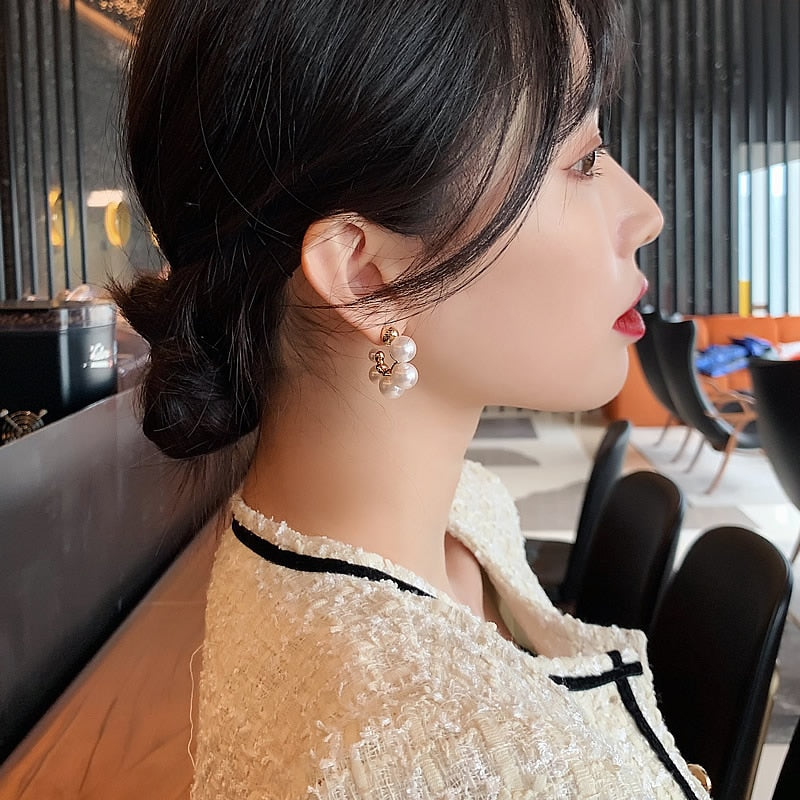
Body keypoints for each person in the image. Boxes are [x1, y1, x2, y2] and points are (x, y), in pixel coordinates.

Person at [114, 0, 712, 797]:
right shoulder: (411, 755)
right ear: (366, 276)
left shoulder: (462, 510)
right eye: (583, 160)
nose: (647, 215)